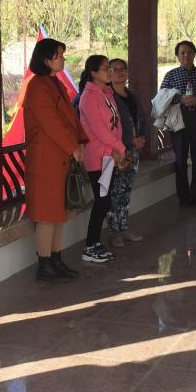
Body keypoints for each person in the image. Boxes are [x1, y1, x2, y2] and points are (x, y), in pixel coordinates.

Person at [23, 38, 86, 282]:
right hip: (46, 160)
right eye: (59, 55)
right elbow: (51, 123)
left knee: (60, 213)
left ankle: (56, 260)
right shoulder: (37, 85)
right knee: (47, 215)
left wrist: (80, 140)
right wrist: (73, 147)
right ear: (46, 59)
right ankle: (45, 264)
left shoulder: (54, 83)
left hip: (60, 157)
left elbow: (70, 117)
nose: (63, 59)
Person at [77, 55, 124, 263]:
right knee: (102, 201)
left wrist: (116, 147)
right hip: (97, 157)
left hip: (109, 155)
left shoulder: (107, 93)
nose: (110, 72)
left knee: (104, 201)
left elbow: (116, 123)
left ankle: (94, 244)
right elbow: (98, 129)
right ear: (94, 73)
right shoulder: (88, 97)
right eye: (106, 68)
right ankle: (90, 246)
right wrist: (119, 147)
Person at [159, 40, 196, 207]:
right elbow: (162, 96)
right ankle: (183, 196)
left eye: (189, 52)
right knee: (181, 159)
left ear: (194, 54)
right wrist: (179, 98)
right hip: (178, 120)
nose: (186, 55)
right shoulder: (171, 75)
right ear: (177, 56)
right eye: (182, 52)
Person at [107, 59, 146, 247]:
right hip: (115, 153)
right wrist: (129, 141)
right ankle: (113, 232)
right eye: (115, 69)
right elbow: (109, 127)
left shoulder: (132, 96)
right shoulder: (107, 97)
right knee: (113, 193)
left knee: (125, 192)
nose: (120, 72)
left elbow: (142, 118)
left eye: (123, 69)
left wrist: (142, 138)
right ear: (108, 73)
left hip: (132, 152)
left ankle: (124, 228)